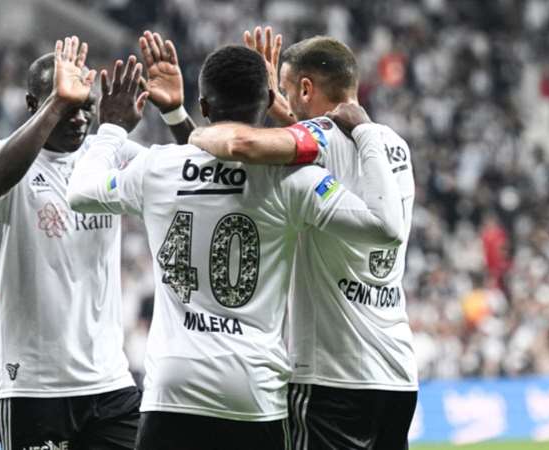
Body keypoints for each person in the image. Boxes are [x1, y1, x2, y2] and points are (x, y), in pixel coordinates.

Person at [66, 44, 403, 450]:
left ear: (205, 106)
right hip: (254, 389)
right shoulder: (294, 180)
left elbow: (80, 193)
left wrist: (111, 130)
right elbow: (383, 227)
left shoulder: (156, 167)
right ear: (268, 100)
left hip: (174, 384)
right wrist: (363, 133)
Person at [190, 28, 418, 450]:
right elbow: (331, 151)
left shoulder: (320, 136)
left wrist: (195, 134)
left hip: (333, 377)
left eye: (288, 89)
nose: (285, 98)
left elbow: (242, 143)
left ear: (307, 88)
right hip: (397, 373)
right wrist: (282, 112)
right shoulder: (393, 144)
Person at [0, 35, 187, 450]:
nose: (81, 118)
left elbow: (200, 178)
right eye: (67, 106)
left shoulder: (110, 154)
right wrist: (58, 102)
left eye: (87, 106)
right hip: (32, 387)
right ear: (34, 104)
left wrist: (175, 113)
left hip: (109, 382)